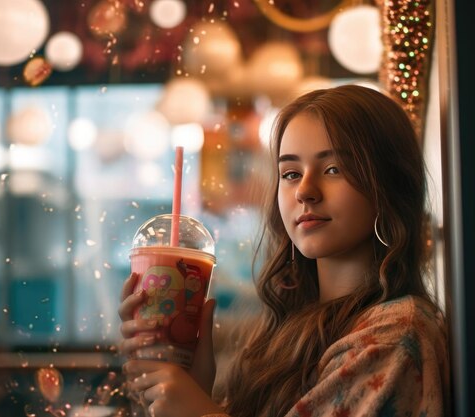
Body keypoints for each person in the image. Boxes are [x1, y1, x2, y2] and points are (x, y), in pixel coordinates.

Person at [118, 85, 450, 417]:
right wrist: (190, 381)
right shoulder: (299, 326)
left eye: (334, 169)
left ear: (389, 185)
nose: (305, 191)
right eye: (290, 173)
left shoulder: (392, 335)